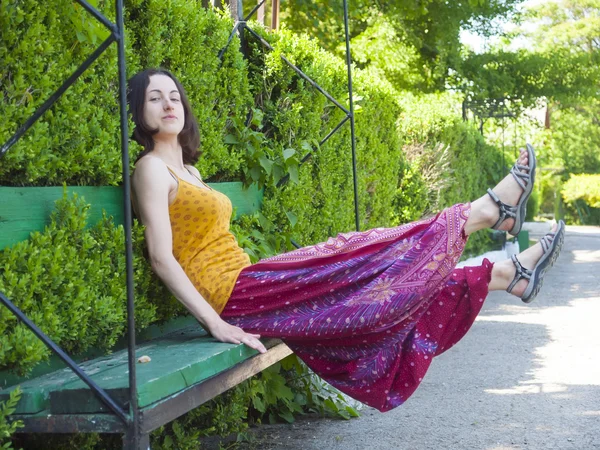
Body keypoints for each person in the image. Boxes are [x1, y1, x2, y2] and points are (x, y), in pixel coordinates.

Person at [128, 68, 565, 412]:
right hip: (233, 298)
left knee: (362, 265)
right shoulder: (151, 169)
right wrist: (216, 322)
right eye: (154, 98)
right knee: (361, 257)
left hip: (249, 282)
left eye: (173, 96)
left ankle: (505, 273)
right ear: (139, 113)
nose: (168, 104)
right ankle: (485, 213)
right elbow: (162, 257)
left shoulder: (191, 172)